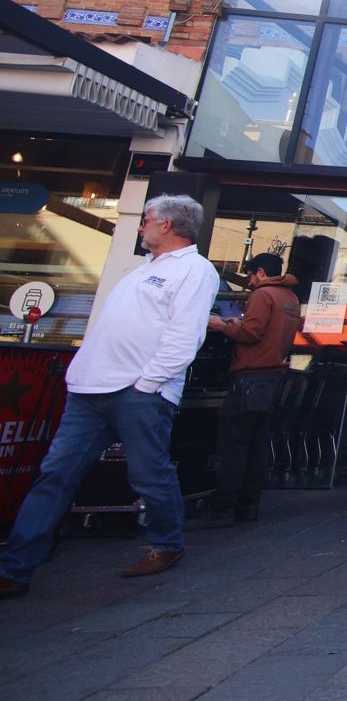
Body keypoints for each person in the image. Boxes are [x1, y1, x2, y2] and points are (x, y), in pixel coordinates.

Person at [0, 194, 220, 598]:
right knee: (55, 474)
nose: (141, 226)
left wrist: (148, 383)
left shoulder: (195, 270)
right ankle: (16, 566)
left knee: (147, 473)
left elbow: (185, 334)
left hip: (138, 391)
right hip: (89, 390)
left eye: (147, 219)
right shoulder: (141, 270)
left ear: (167, 225)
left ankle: (167, 544)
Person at [198, 253, 301, 527]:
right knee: (257, 444)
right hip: (273, 377)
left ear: (261, 273)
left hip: (250, 376)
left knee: (233, 444)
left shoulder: (263, 295)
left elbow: (252, 333)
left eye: (251, 275)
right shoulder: (290, 298)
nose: (249, 281)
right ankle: (249, 503)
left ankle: (223, 506)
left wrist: (223, 325)